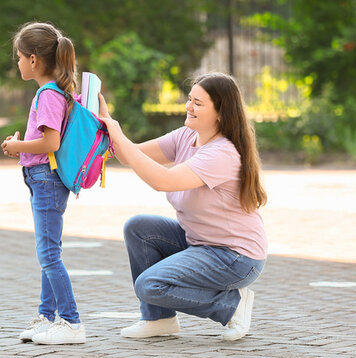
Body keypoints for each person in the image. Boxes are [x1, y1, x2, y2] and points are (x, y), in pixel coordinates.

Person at [96, 72, 268, 341]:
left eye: (198, 103)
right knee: (140, 228)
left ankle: (231, 305)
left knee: (150, 285)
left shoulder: (221, 153)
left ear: (220, 113)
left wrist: (116, 132)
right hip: (200, 243)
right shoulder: (187, 136)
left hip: (234, 257)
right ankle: (159, 320)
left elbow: (163, 180)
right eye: (190, 99)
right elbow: (131, 155)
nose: (189, 106)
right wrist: (103, 124)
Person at [0, 22, 86, 345]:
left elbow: (50, 143)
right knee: (49, 251)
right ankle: (47, 317)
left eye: (20, 57)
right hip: (42, 179)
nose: (18, 63)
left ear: (34, 60)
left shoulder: (48, 94)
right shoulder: (53, 92)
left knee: (48, 254)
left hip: (46, 179)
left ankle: (71, 321)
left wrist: (17, 146)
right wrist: (24, 144)